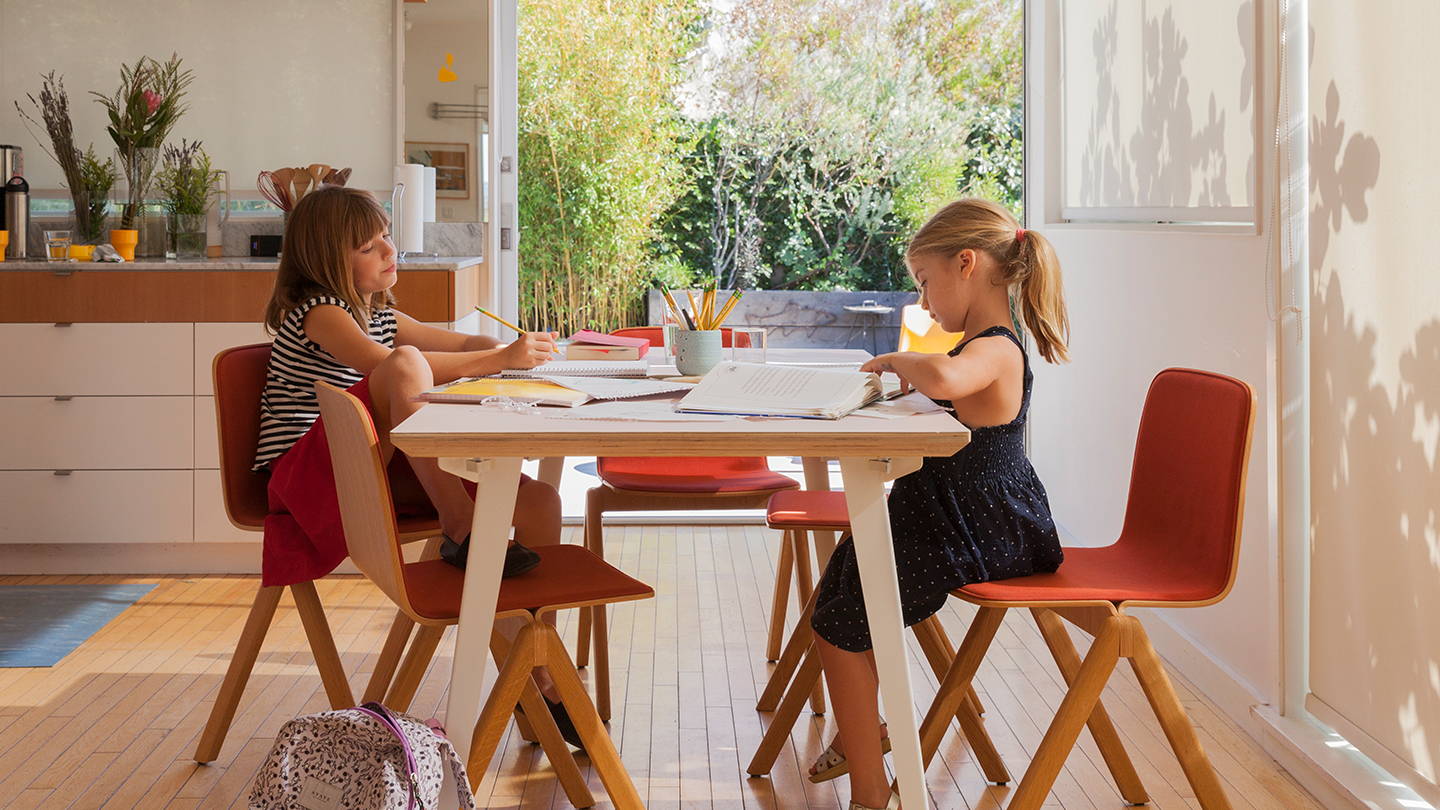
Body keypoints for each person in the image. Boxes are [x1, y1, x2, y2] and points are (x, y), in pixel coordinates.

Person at [254, 185, 584, 745]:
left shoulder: (377, 310)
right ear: (327, 259)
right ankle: (459, 522)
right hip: (305, 476)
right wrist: (498, 359)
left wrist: (502, 348)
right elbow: (391, 368)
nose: (389, 251)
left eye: (386, 236)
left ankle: (537, 664)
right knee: (408, 363)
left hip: (372, 462)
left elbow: (461, 343)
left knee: (541, 503)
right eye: (369, 245)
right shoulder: (321, 313)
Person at [807, 198, 1070, 810]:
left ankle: (871, 787)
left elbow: (951, 381)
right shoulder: (977, 344)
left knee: (842, 623)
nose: (924, 303)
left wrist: (903, 360)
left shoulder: (999, 346)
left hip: (978, 525)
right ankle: (866, 739)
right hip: (942, 510)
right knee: (841, 594)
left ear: (968, 264)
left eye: (925, 283)